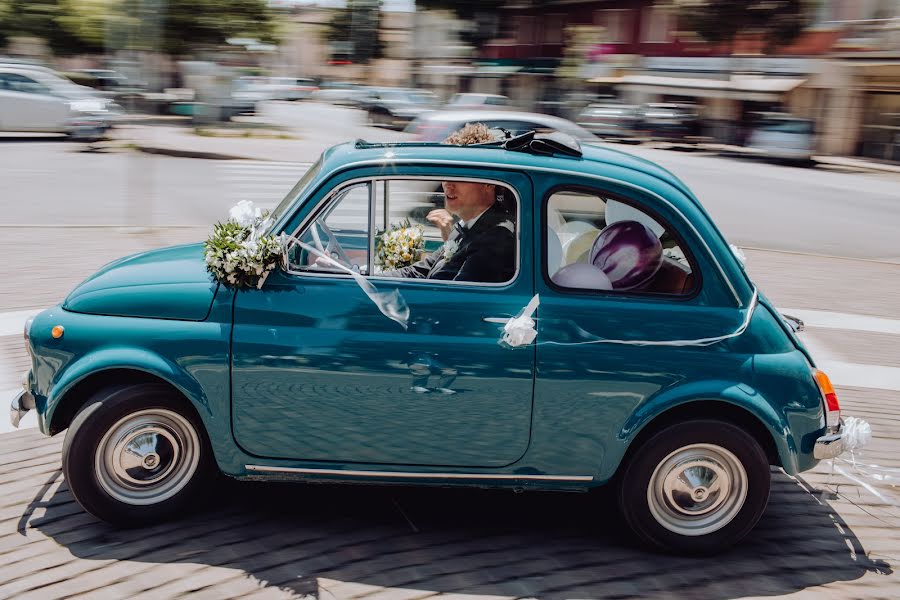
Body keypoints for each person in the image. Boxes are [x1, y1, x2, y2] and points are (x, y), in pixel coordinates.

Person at [383, 124, 516, 283]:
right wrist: (367, 279)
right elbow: (419, 271)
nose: (447, 184)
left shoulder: (496, 238)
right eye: (447, 174)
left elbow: (455, 297)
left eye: (459, 176)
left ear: (489, 183)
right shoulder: (466, 227)